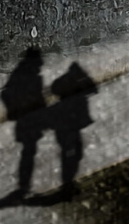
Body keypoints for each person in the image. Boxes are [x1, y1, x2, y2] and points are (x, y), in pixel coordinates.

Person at [0, 46, 48, 205]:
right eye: (38, 60)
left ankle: (24, 187)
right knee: (28, 152)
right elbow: (5, 94)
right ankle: (23, 187)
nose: (41, 63)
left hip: (30, 118)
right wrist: (16, 109)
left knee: (29, 152)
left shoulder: (28, 73)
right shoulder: (25, 74)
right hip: (26, 119)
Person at [40, 61, 97, 200]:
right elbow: (92, 90)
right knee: (72, 154)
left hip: (68, 126)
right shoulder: (73, 87)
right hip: (67, 127)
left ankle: (67, 186)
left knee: (73, 154)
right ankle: (67, 186)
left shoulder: (72, 87)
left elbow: (91, 90)